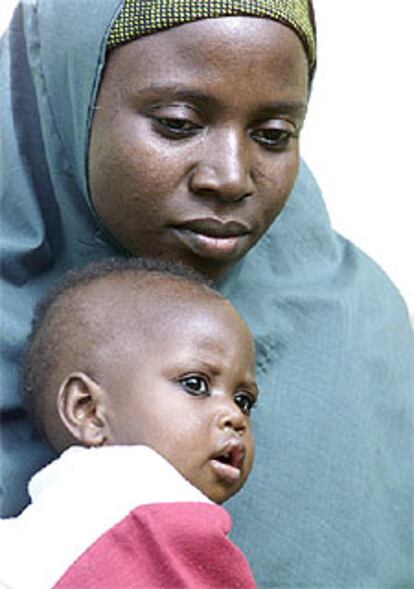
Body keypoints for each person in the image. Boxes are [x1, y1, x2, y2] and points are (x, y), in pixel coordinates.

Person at [0, 0, 413, 585]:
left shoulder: (362, 323)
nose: (229, 177)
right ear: (69, 96)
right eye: (177, 124)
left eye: (273, 135)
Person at [0, 257, 258, 588]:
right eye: (196, 384)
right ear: (88, 409)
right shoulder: (158, 518)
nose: (234, 417)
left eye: (244, 401)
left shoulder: (23, 541)